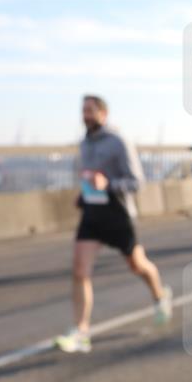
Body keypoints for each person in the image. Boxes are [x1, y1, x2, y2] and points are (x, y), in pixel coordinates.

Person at [56, 95, 172, 354]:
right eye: (82, 110)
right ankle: (81, 331)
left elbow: (137, 182)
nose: (84, 115)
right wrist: (84, 194)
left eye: (90, 110)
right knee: (79, 271)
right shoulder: (84, 143)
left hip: (117, 214)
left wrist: (107, 185)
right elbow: (90, 178)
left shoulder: (119, 141)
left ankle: (160, 296)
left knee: (137, 265)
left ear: (103, 114)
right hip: (92, 213)